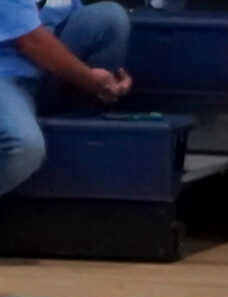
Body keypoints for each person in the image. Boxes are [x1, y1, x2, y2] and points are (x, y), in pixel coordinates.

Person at [0, 0, 131, 197]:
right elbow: (30, 41)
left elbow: (60, 21)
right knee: (24, 146)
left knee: (110, 16)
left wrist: (111, 82)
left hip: (44, 75)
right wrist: (89, 78)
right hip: (6, 77)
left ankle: (91, 122)